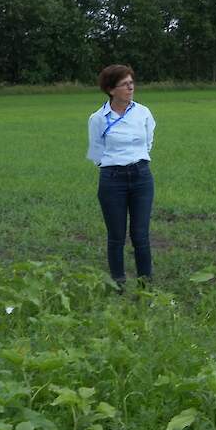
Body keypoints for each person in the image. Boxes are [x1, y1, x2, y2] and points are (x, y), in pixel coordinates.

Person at [87, 64, 156, 288]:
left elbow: (148, 141)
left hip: (141, 177)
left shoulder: (143, 113)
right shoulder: (98, 118)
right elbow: (97, 150)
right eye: (124, 84)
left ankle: (145, 284)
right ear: (110, 89)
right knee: (116, 236)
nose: (130, 87)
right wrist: (114, 166)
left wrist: (135, 160)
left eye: (131, 83)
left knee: (140, 235)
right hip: (112, 179)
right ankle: (118, 283)